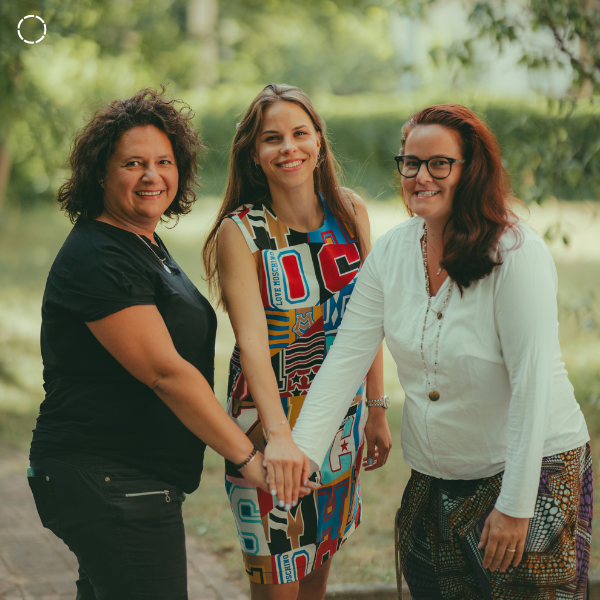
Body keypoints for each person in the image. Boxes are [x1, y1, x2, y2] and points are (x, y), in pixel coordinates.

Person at [287, 104, 592, 599]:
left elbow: (531, 385)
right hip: (436, 476)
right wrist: (298, 457)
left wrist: (516, 507)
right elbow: (346, 359)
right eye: (410, 163)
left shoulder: (516, 253)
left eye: (438, 164)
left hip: (533, 472)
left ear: (470, 171)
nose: (420, 176)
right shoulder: (391, 251)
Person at [28, 87, 271, 600]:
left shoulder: (142, 242)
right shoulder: (99, 255)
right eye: (132, 163)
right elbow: (167, 373)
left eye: (164, 161)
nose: (151, 175)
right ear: (100, 174)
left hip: (127, 479)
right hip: (110, 479)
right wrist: (248, 458)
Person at [202, 83, 392, 599]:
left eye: (300, 133)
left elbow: (367, 320)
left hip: (340, 421)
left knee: (316, 574)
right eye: (272, 138)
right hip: (270, 429)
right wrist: (280, 436)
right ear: (254, 155)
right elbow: (253, 343)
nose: (289, 147)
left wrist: (376, 408)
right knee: (278, 581)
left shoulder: (350, 211)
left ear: (320, 142)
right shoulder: (240, 233)